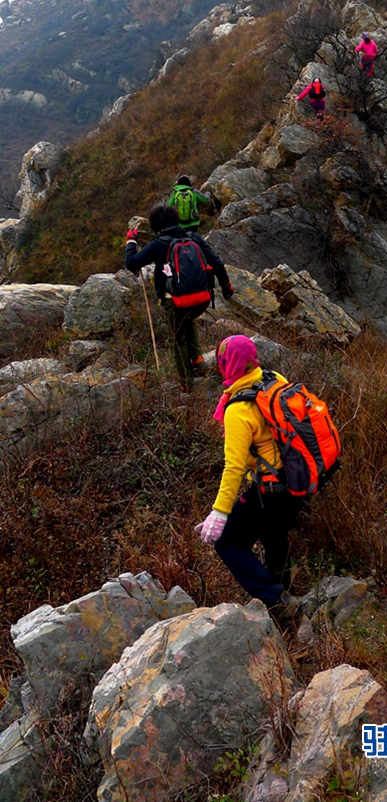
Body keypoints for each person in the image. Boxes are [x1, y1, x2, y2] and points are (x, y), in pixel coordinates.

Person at [195, 335, 304, 621]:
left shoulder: (238, 410)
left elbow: (233, 467)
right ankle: (285, 601)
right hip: (297, 479)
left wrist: (219, 513)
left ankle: (278, 601)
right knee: (274, 536)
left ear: (227, 364)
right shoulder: (273, 379)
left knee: (228, 542)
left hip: (272, 487)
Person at [125, 204, 234, 390]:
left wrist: (131, 242)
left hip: (175, 300)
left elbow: (132, 262)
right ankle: (198, 361)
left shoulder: (159, 244)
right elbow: (215, 261)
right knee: (188, 318)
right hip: (202, 298)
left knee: (178, 339)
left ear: (155, 225)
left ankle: (187, 385)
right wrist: (226, 287)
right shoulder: (192, 237)